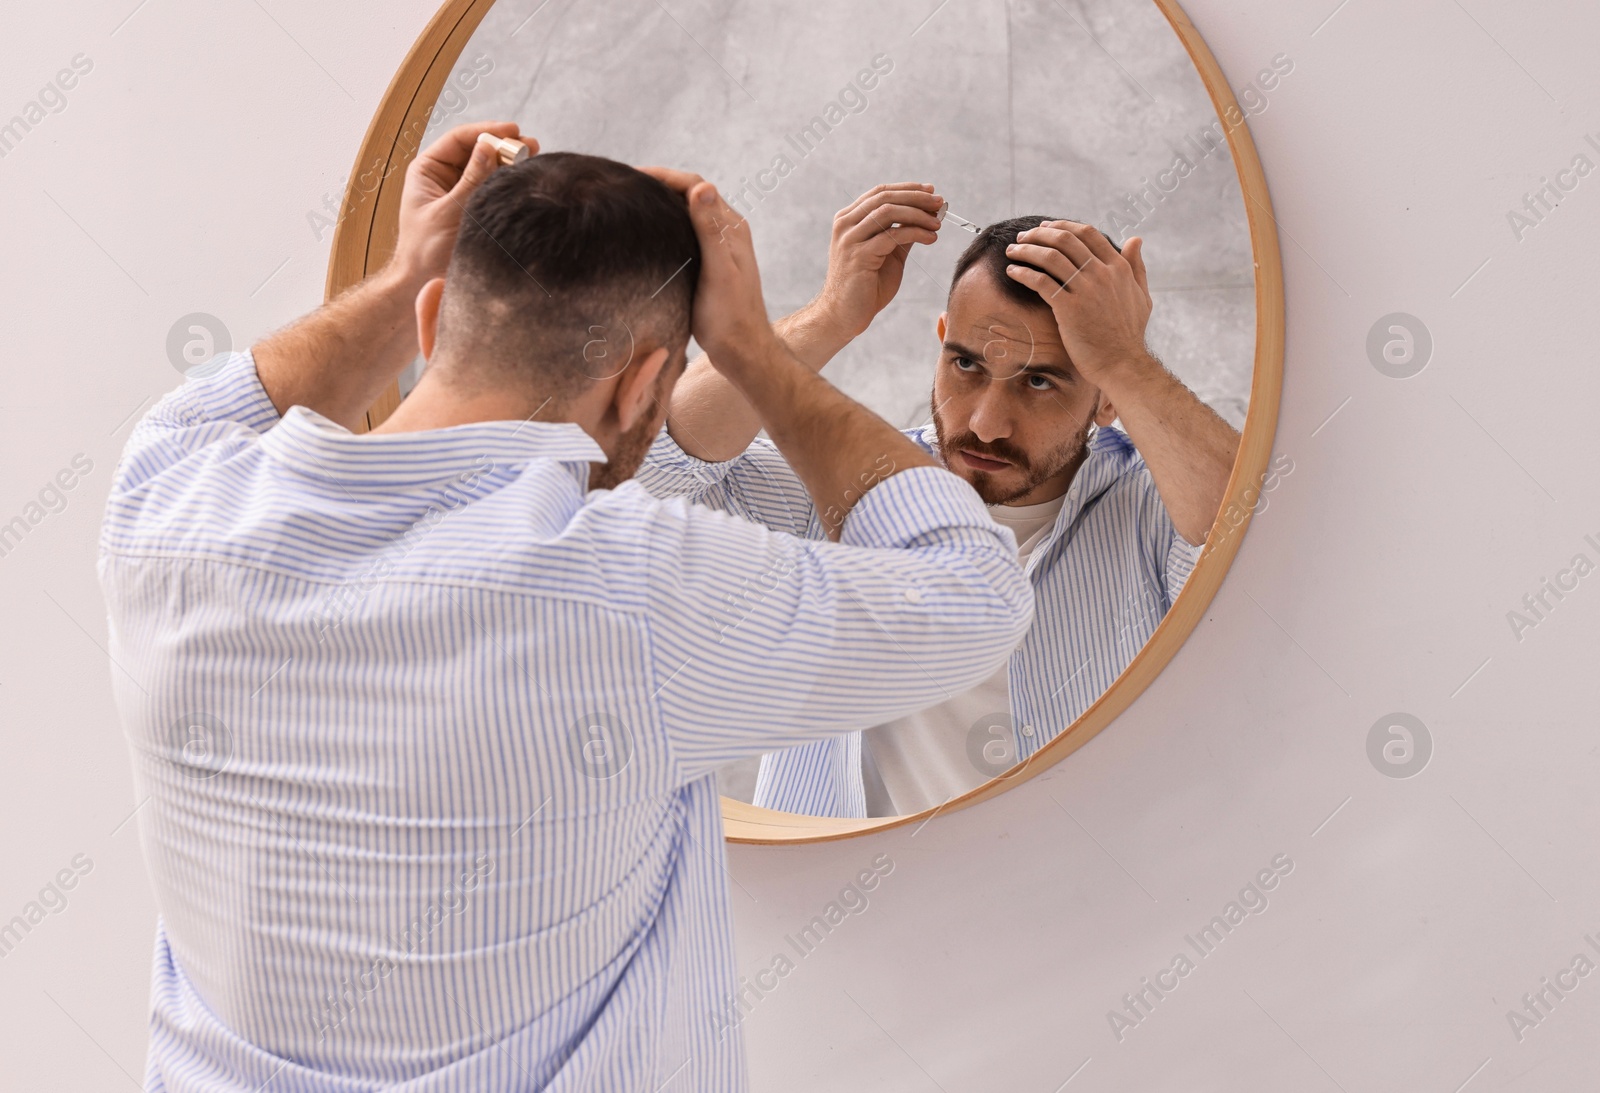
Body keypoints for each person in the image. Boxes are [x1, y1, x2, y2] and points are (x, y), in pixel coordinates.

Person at [98, 127, 1033, 1091]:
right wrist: (750, 347)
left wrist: (416, 267)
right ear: (642, 390)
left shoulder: (167, 505)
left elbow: (223, 406)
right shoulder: (628, 592)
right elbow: (970, 590)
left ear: (428, 323)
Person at [637, 182, 1241, 818]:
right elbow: (656, 464)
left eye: (1039, 382)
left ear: (1107, 398)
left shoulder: (1152, 510)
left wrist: (1126, 358)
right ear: (942, 338)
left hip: (1072, 904)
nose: (985, 423)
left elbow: (1252, 540)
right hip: (841, 900)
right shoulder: (843, 479)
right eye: (966, 365)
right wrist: (832, 313)